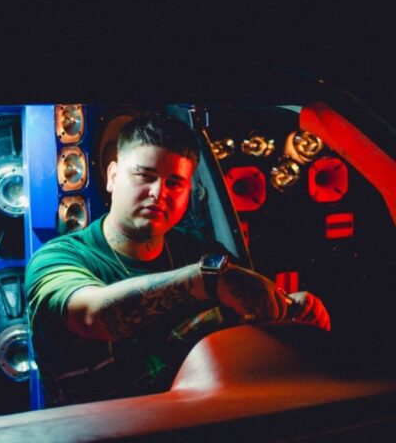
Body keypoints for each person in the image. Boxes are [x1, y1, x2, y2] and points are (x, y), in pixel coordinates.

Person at [25, 113, 330, 406]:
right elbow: (90, 316)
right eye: (145, 176)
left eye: (175, 183)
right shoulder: (58, 259)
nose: (159, 193)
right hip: (98, 429)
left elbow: (250, 329)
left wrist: (288, 311)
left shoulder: (201, 254)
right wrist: (209, 280)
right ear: (113, 176)